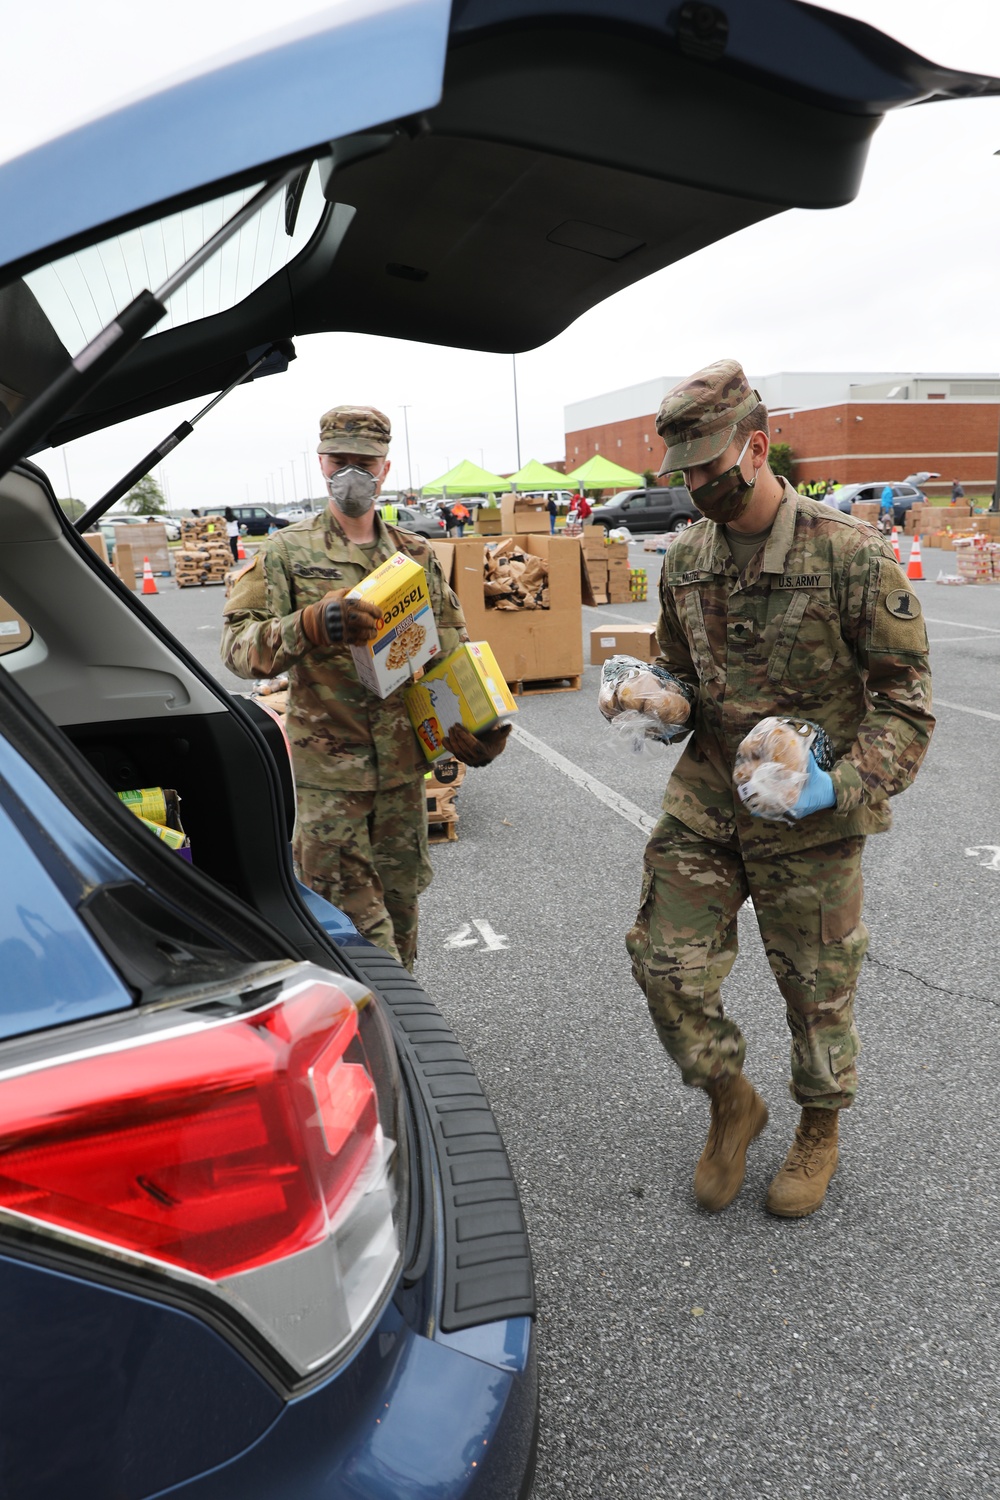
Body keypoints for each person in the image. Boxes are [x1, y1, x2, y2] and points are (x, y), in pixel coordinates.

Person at [624, 359, 933, 1218]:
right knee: (663, 961)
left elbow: (906, 708)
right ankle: (731, 1100)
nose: (695, 489)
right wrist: (655, 696)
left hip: (813, 816)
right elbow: (677, 671)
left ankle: (818, 1126)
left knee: (816, 986)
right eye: (681, 473)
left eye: (709, 469)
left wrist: (833, 789)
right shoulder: (684, 559)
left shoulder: (850, 555)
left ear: (756, 447)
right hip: (709, 801)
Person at [221, 405, 510, 970]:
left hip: (403, 774)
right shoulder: (285, 552)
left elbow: (451, 651)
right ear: (322, 462)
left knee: (401, 916)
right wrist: (310, 625)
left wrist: (486, 725)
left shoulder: (415, 553)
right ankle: (387, 1032)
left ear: (385, 469)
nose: (351, 473)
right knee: (356, 931)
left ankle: (393, 1039)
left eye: (365, 462)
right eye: (340, 461)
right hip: (331, 781)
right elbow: (238, 649)